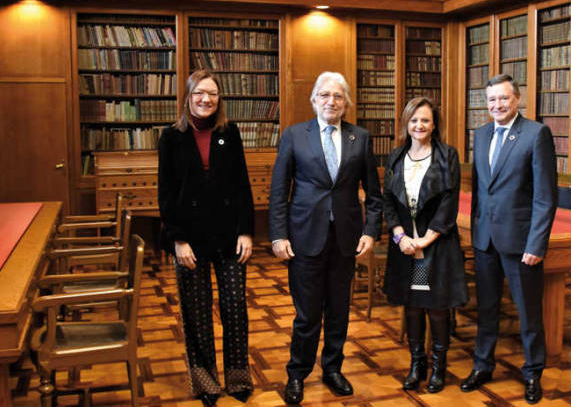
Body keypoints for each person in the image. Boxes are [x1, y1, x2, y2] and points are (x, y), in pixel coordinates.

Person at [269, 71, 382, 405]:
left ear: (345, 103)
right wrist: (278, 235)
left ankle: (333, 369)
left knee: (339, 310)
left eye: (337, 96)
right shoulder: (294, 136)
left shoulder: (359, 138)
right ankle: (297, 373)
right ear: (314, 100)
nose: (331, 101)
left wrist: (371, 231)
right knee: (307, 314)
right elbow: (279, 191)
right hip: (304, 238)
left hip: (345, 239)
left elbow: (374, 195)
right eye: (325, 95)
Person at [158, 70, 255, 406]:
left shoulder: (230, 132)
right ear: (188, 96)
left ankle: (239, 377)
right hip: (190, 240)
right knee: (196, 312)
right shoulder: (171, 138)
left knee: (235, 308)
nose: (206, 99)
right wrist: (177, 240)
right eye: (200, 93)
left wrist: (246, 231)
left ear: (219, 98)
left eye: (212, 93)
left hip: (229, 236)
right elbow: (166, 194)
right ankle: (205, 382)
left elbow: (242, 184)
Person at [460, 74, 557, 405]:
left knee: (529, 313)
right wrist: (475, 232)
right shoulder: (482, 134)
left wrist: (536, 244)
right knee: (486, 309)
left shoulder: (536, 134)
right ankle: (483, 365)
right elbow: (480, 190)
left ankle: (532, 373)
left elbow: (545, 196)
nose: (497, 105)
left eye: (503, 99)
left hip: (520, 243)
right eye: (491, 100)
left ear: (517, 99)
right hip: (485, 240)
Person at [381, 97, 467, 394]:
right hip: (405, 247)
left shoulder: (447, 156)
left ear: (434, 125)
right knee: (414, 307)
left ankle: (438, 368)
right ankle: (417, 365)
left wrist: (425, 240)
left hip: (436, 246)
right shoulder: (395, 157)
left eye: (426, 120)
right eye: (414, 120)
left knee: (437, 308)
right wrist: (400, 237)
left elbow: (448, 203)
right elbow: (388, 202)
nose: (419, 125)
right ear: (406, 122)